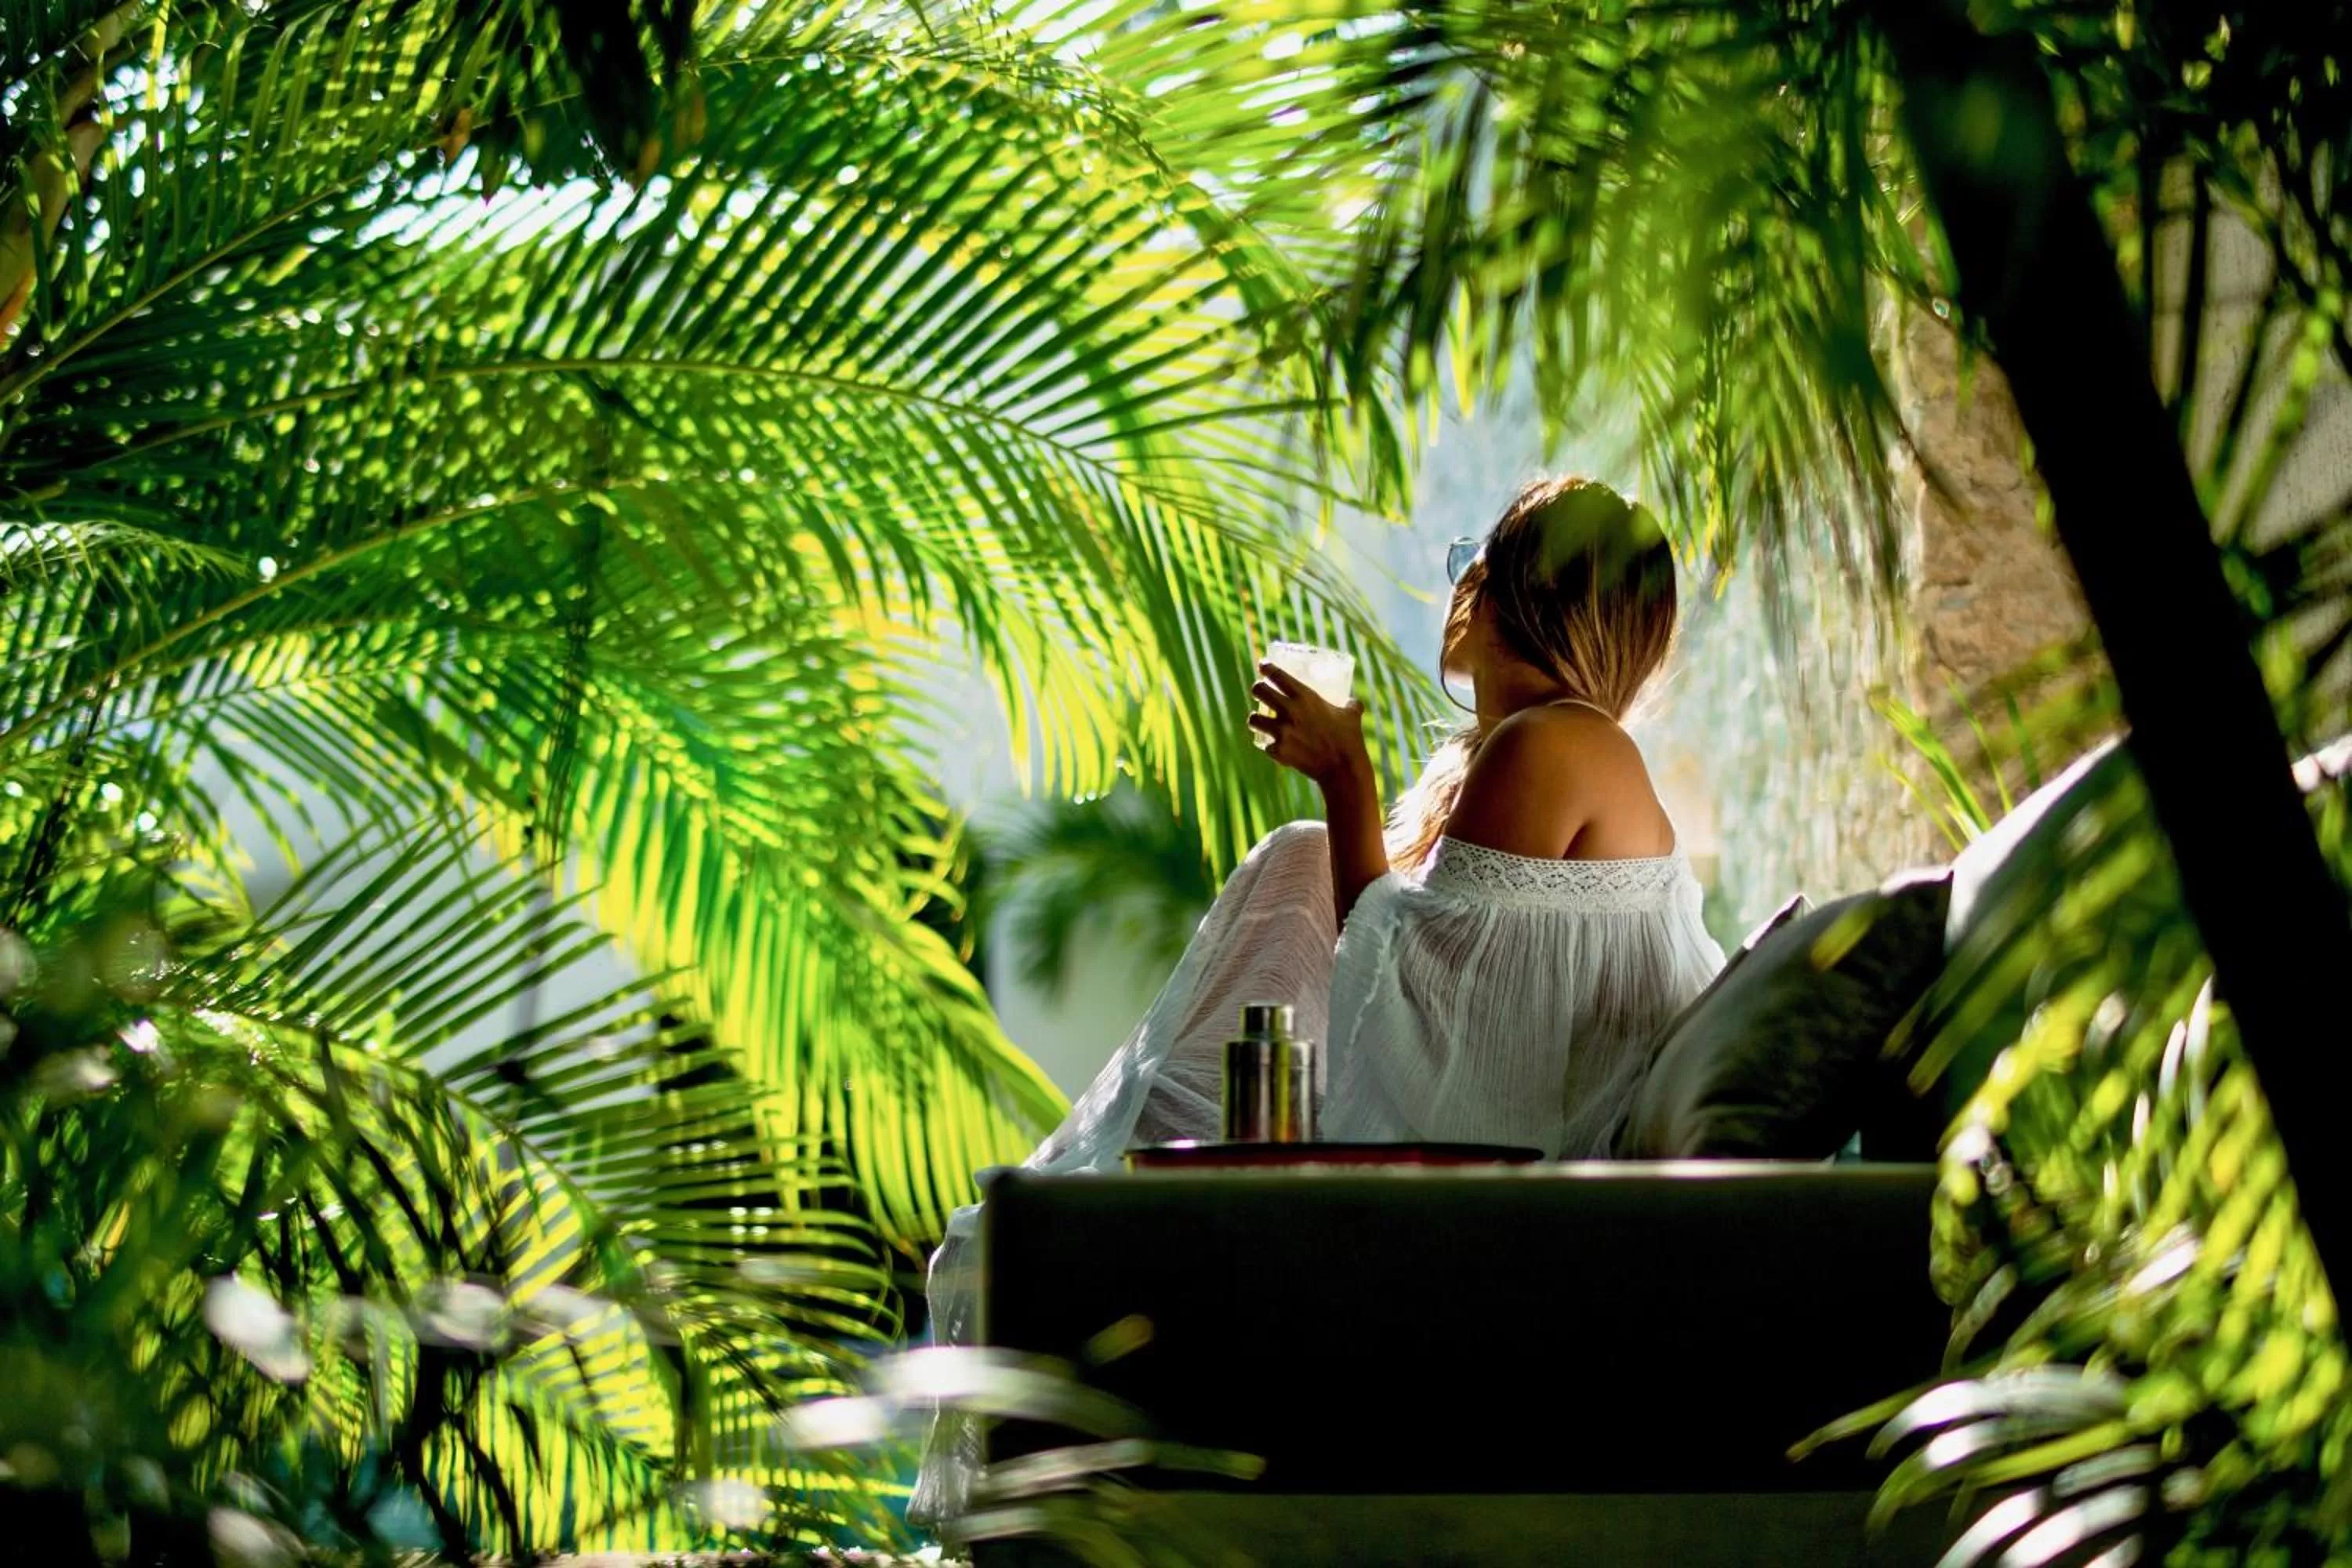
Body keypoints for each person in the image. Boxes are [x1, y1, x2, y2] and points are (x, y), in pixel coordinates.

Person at [909, 475, 1725, 1527]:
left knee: (1303, 860)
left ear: (1496, 591)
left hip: (1532, 1205)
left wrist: (1346, 778)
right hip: (1519, 1186)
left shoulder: (1558, 743)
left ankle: (1109, 1219)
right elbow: (1429, 980)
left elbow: (1423, 998)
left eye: (1473, 562)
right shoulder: (1546, 748)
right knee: (1300, 860)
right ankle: (1121, 1208)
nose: (1460, 583)